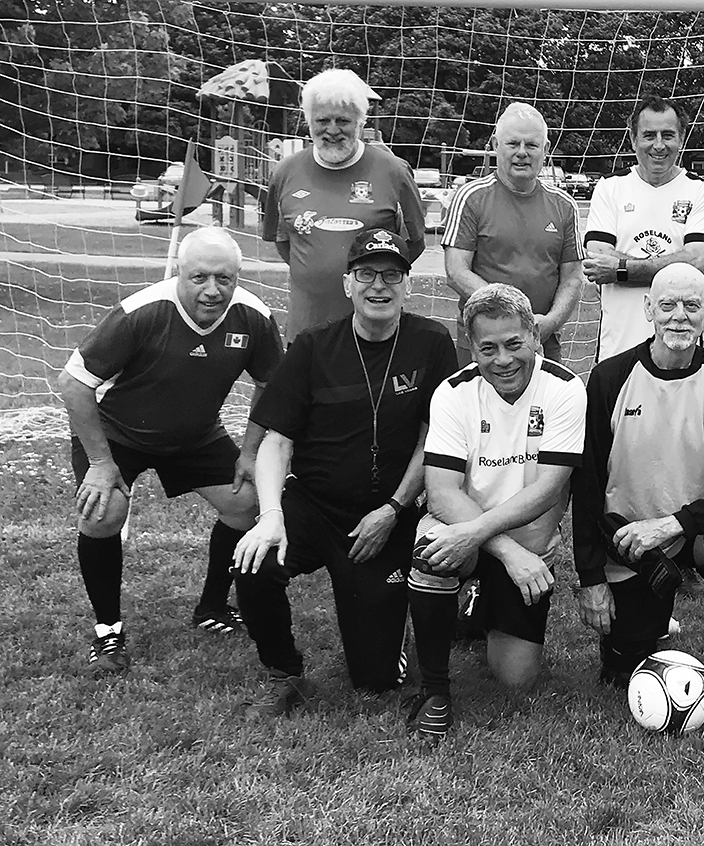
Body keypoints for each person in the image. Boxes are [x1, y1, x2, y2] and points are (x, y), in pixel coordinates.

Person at [232, 226, 457, 716]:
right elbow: (276, 441)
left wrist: (393, 509)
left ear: (408, 285)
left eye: (392, 275)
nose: (379, 286)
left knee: (376, 681)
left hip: (387, 515)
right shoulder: (313, 347)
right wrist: (270, 515)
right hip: (315, 505)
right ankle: (283, 672)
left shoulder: (432, 341)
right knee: (256, 561)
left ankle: (393, 636)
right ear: (347, 284)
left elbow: (433, 439)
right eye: (367, 274)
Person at [571, 263, 704, 737]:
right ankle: (652, 615)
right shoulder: (609, 379)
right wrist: (591, 579)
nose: (679, 317)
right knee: (620, 672)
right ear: (648, 308)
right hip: (633, 540)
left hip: (700, 535)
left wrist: (674, 524)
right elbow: (586, 486)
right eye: (667, 305)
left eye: (692, 305)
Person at [57, 228, 281, 673]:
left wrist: (249, 452)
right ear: (180, 272)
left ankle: (212, 607)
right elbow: (73, 384)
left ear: (238, 277)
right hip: (118, 433)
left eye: (224, 278)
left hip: (195, 436)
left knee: (245, 502)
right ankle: (108, 631)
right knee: (103, 512)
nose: (212, 290)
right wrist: (100, 462)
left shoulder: (254, 316)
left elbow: (271, 386)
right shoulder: (141, 313)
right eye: (200, 277)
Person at [404, 284, 586, 740]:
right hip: (476, 533)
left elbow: (548, 489)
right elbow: (441, 494)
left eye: (513, 344)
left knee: (516, 679)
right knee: (432, 548)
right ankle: (435, 690)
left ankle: (474, 606)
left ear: (535, 337)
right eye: (488, 348)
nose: (503, 359)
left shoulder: (565, 388)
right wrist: (504, 550)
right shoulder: (452, 393)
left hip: (525, 541)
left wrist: (495, 541)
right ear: (472, 347)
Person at [261, 68, 426, 342]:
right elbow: (283, 242)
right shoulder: (284, 173)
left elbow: (414, 244)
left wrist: (375, 280)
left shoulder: (395, 173)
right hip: (305, 332)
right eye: (322, 120)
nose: (332, 130)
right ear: (308, 121)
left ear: (360, 122)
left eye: (343, 120)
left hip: (375, 332)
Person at [442, 102, 582, 365]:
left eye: (531, 145)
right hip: (485, 343)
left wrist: (550, 323)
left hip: (543, 339)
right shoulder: (471, 198)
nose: (522, 153)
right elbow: (456, 271)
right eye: (513, 143)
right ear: (496, 145)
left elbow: (572, 278)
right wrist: (514, 318)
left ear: (546, 149)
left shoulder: (564, 206)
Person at [583, 95, 704, 360]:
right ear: (633, 139)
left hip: (680, 352)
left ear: (681, 138)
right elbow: (598, 258)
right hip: (618, 348)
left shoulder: (702, 191)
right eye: (649, 135)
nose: (658, 145)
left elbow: (696, 261)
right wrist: (673, 266)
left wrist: (619, 269)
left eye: (667, 135)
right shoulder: (610, 187)